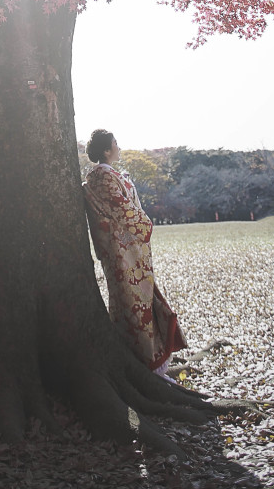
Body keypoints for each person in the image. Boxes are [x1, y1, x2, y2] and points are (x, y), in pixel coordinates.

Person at [83, 128, 186, 378]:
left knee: (139, 302)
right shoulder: (103, 178)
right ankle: (145, 363)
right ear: (106, 150)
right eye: (115, 143)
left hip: (127, 249)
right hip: (122, 251)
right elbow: (124, 210)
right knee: (133, 306)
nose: (118, 147)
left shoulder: (106, 176)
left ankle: (149, 360)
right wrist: (146, 225)